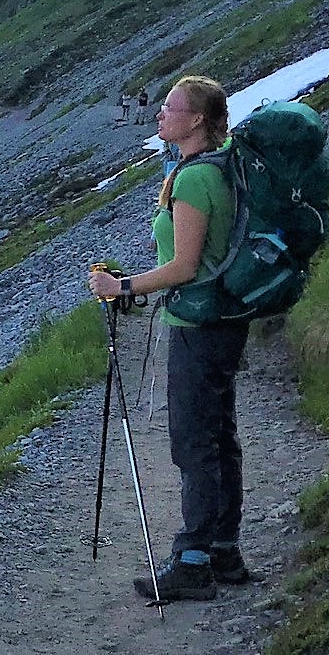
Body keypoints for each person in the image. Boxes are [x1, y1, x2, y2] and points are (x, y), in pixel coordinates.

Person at [86, 75, 246, 602]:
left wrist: (121, 286)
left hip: (198, 325)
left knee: (195, 441)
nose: (160, 114)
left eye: (171, 107)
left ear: (196, 119)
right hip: (220, 319)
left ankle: (193, 558)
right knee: (219, 434)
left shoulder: (195, 180)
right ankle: (222, 550)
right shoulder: (214, 170)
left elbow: (182, 266)